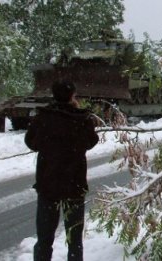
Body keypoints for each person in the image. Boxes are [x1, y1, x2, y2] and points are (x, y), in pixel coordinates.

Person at [25, 80, 99, 261]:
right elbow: (92, 141)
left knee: (44, 238)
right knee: (74, 239)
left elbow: (31, 142)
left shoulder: (43, 118)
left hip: (48, 185)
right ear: (72, 96)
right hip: (74, 185)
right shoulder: (82, 119)